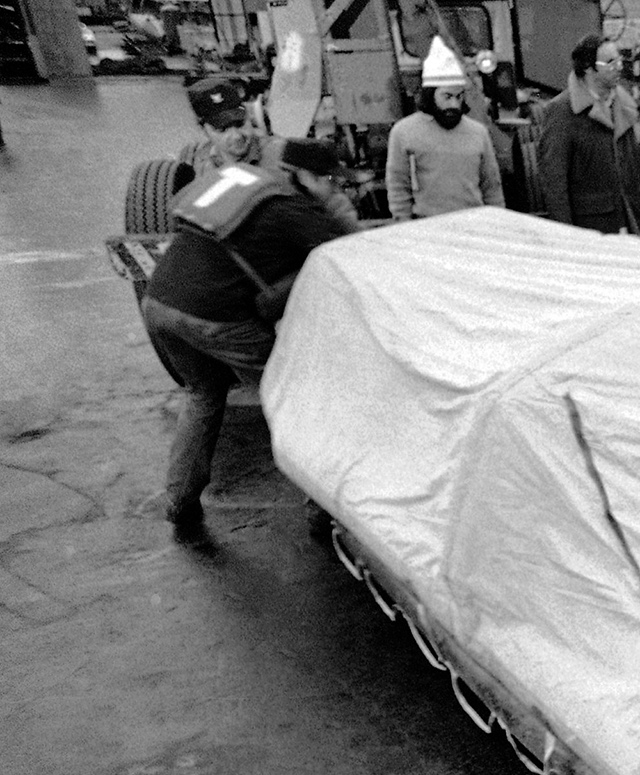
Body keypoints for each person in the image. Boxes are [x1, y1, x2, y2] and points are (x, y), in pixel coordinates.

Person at [140, 139, 360, 543]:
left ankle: (179, 500)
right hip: (214, 318)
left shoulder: (249, 183)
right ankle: (322, 511)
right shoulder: (295, 209)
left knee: (203, 396)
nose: (335, 188)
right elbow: (348, 257)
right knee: (292, 401)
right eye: (330, 180)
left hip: (159, 303)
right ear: (304, 177)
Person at [537, 34, 640, 235]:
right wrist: (566, 236)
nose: (619, 66)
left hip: (631, 218)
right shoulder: (562, 111)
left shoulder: (623, 105)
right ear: (589, 68)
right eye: (609, 62)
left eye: (619, 59)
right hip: (592, 228)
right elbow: (554, 182)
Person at [384, 36, 505, 221]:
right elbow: (398, 185)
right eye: (447, 97)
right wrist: (404, 225)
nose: (454, 104)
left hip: (473, 226)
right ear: (430, 95)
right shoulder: (403, 133)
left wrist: (498, 223)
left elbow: (492, 187)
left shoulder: (478, 133)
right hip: (427, 230)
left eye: (459, 96)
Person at [178, 77, 265, 178]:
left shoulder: (277, 155)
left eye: (240, 124)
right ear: (204, 131)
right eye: (222, 129)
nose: (236, 136)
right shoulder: (193, 164)